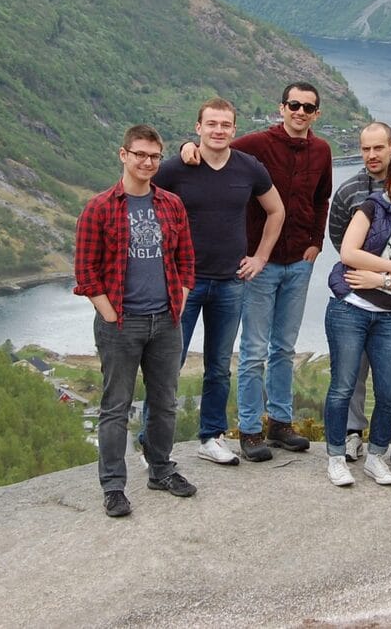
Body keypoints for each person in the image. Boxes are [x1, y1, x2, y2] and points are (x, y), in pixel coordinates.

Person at [73, 125, 196, 518]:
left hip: (165, 322)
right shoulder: (100, 207)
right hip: (121, 324)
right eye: (139, 154)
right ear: (123, 155)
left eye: (154, 157)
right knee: (115, 407)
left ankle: (161, 470)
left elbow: (186, 261)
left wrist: (180, 301)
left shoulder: (171, 205)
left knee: (164, 404)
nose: (147, 162)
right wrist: (110, 315)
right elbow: (85, 272)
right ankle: (113, 487)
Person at [152, 98, 284, 466]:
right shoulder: (176, 169)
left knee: (218, 365)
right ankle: (153, 442)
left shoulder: (249, 168)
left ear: (234, 130)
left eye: (225, 125)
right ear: (198, 127)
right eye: (211, 124)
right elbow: (142, 202)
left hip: (230, 282)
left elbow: (277, 210)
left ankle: (210, 436)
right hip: (184, 285)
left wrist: (260, 257)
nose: (218, 130)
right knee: (168, 364)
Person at [229, 81, 333, 460]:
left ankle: (280, 424)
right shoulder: (257, 144)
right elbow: (218, 151)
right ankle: (250, 429)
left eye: (308, 107)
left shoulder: (321, 150)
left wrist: (316, 243)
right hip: (261, 262)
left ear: (316, 114)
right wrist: (187, 149)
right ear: (282, 108)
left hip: (299, 264)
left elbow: (322, 199)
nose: (300, 112)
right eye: (294, 105)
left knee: (284, 348)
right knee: (255, 350)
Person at [323, 152, 391, 487]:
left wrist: (379, 280)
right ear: (390, 182)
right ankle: (336, 456)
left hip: (388, 316)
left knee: (390, 394)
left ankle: (376, 457)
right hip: (350, 308)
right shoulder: (371, 208)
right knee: (342, 387)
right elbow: (348, 253)